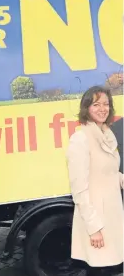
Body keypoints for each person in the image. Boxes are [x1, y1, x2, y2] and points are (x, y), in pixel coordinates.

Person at [66, 86, 124, 276]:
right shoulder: (80, 139)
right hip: (97, 221)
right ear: (86, 109)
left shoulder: (106, 135)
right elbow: (79, 191)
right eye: (96, 104)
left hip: (113, 217)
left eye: (106, 104)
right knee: (99, 269)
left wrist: (120, 177)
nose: (102, 109)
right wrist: (94, 229)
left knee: (110, 268)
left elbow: (106, 171)